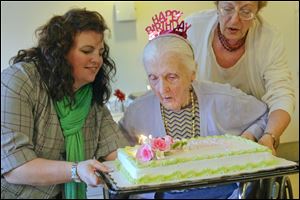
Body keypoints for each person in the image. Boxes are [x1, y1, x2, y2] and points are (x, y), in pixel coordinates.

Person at [119, 30, 269, 198]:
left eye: (172, 77)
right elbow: (120, 156)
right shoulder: (137, 111)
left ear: (192, 73)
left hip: (220, 193)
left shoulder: (221, 99)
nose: (162, 89)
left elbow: (264, 115)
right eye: (153, 78)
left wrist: (250, 136)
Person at [1, 8, 128, 199]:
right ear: (60, 52)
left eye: (101, 52)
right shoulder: (19, 80)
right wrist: (76, 170)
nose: (97, 60)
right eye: (87, 51)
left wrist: (151, 158)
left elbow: (115, 153)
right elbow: (15, 167)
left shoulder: (90, 95)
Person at [185, 1, 296, 155]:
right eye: (227, 8)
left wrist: (269, 136)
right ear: (217, 6)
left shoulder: (269, 38)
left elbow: (281, 95)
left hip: (253, 131)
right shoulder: (192, 28)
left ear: (257, 11)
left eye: (246, 11)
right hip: (204, 137)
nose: (235, 19)